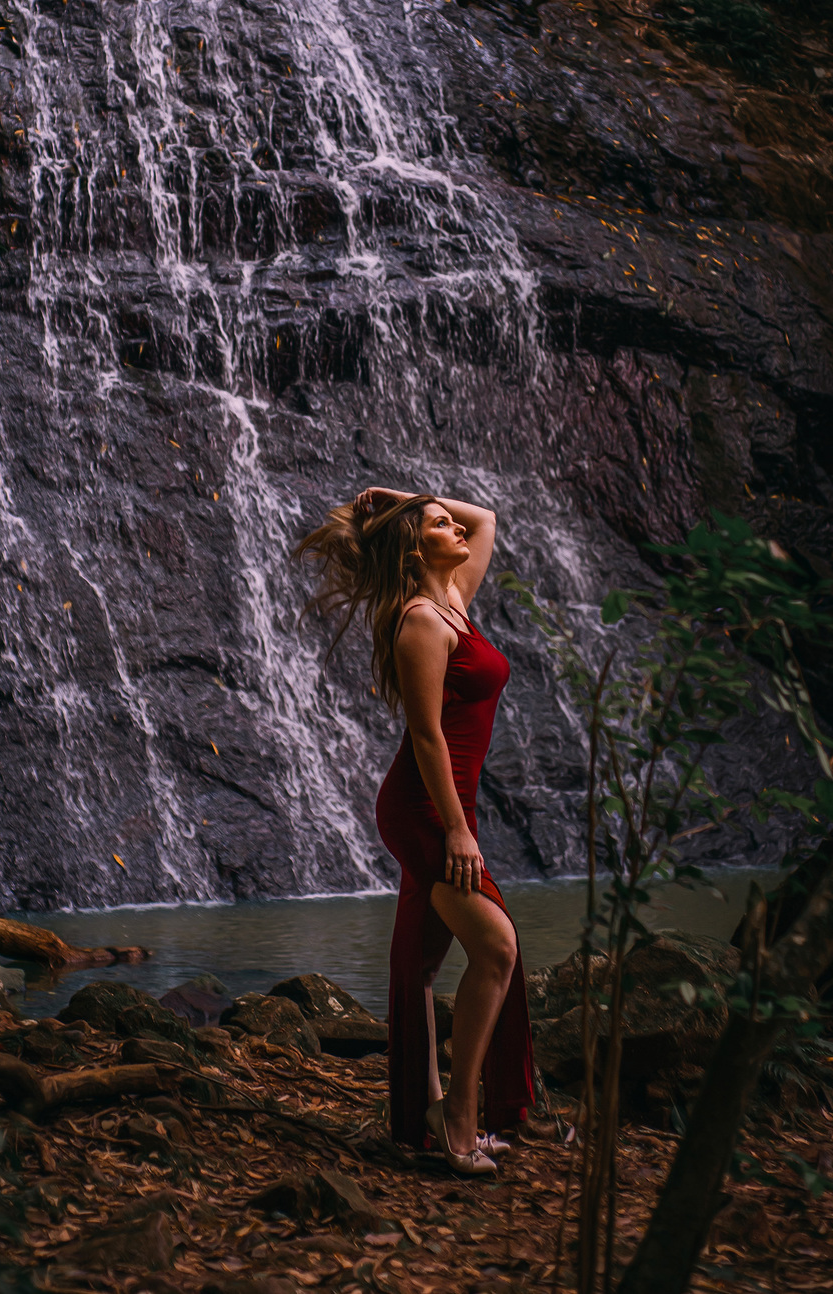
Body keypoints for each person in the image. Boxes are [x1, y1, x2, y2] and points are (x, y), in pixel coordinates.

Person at [294, 486, 534, 1175]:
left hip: (451, 804)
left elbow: (488, 515)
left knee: (424, 962)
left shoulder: (456, 590)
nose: (456, 525)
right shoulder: (421, 623)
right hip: (429, 807)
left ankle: (424, 1108)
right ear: (413, 548)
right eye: (437, 523)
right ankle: (458, 1117)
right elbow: (425, 735)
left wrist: (406, 500)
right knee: (496, 947)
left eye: (446, 520)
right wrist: (458, 830)